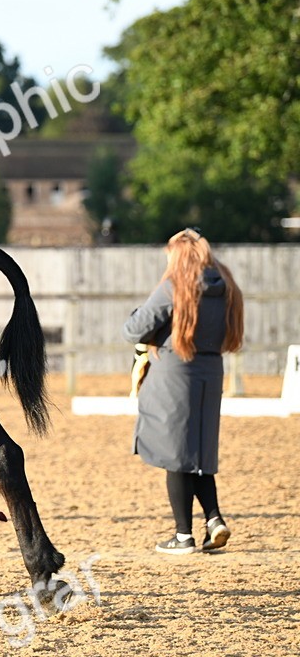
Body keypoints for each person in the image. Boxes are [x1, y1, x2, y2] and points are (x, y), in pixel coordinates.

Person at [121, 228, 244, 555]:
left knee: (174, 454)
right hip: (211, 371)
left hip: (175, 371)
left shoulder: (175, 286)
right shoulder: (226, 286)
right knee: (199, 453)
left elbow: (133, 330)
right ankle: (214, 519)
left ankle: (183, 536)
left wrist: (139, 316)